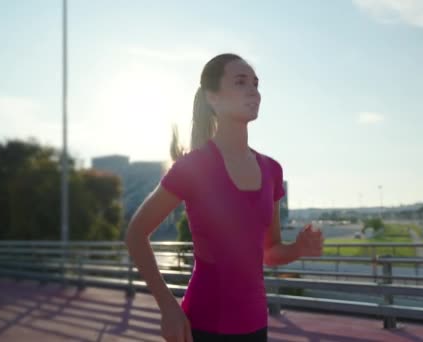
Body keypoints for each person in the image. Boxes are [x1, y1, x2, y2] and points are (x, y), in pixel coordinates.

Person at [124, 53, 324, 342]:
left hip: (256, 325)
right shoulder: (193, 167)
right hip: (203, 325)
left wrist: (299, 249)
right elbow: (136, 233)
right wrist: (168, 307)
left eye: (255, 84)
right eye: (240, 82)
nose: (253, 91)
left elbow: (270, 252)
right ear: (213, 98)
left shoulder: (272, 170)